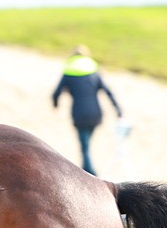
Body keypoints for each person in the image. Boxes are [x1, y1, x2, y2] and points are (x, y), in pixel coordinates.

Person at [52, 45, 123, 176]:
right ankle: (89, 171)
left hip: (79, 114)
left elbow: (56, 93)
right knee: (87, 144)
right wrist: (118, 110)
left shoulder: (69, 71)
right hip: (96, 114)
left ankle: (91, 174)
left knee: (84, 147)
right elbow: (108, 91)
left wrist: (55, 104)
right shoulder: (94, 70)